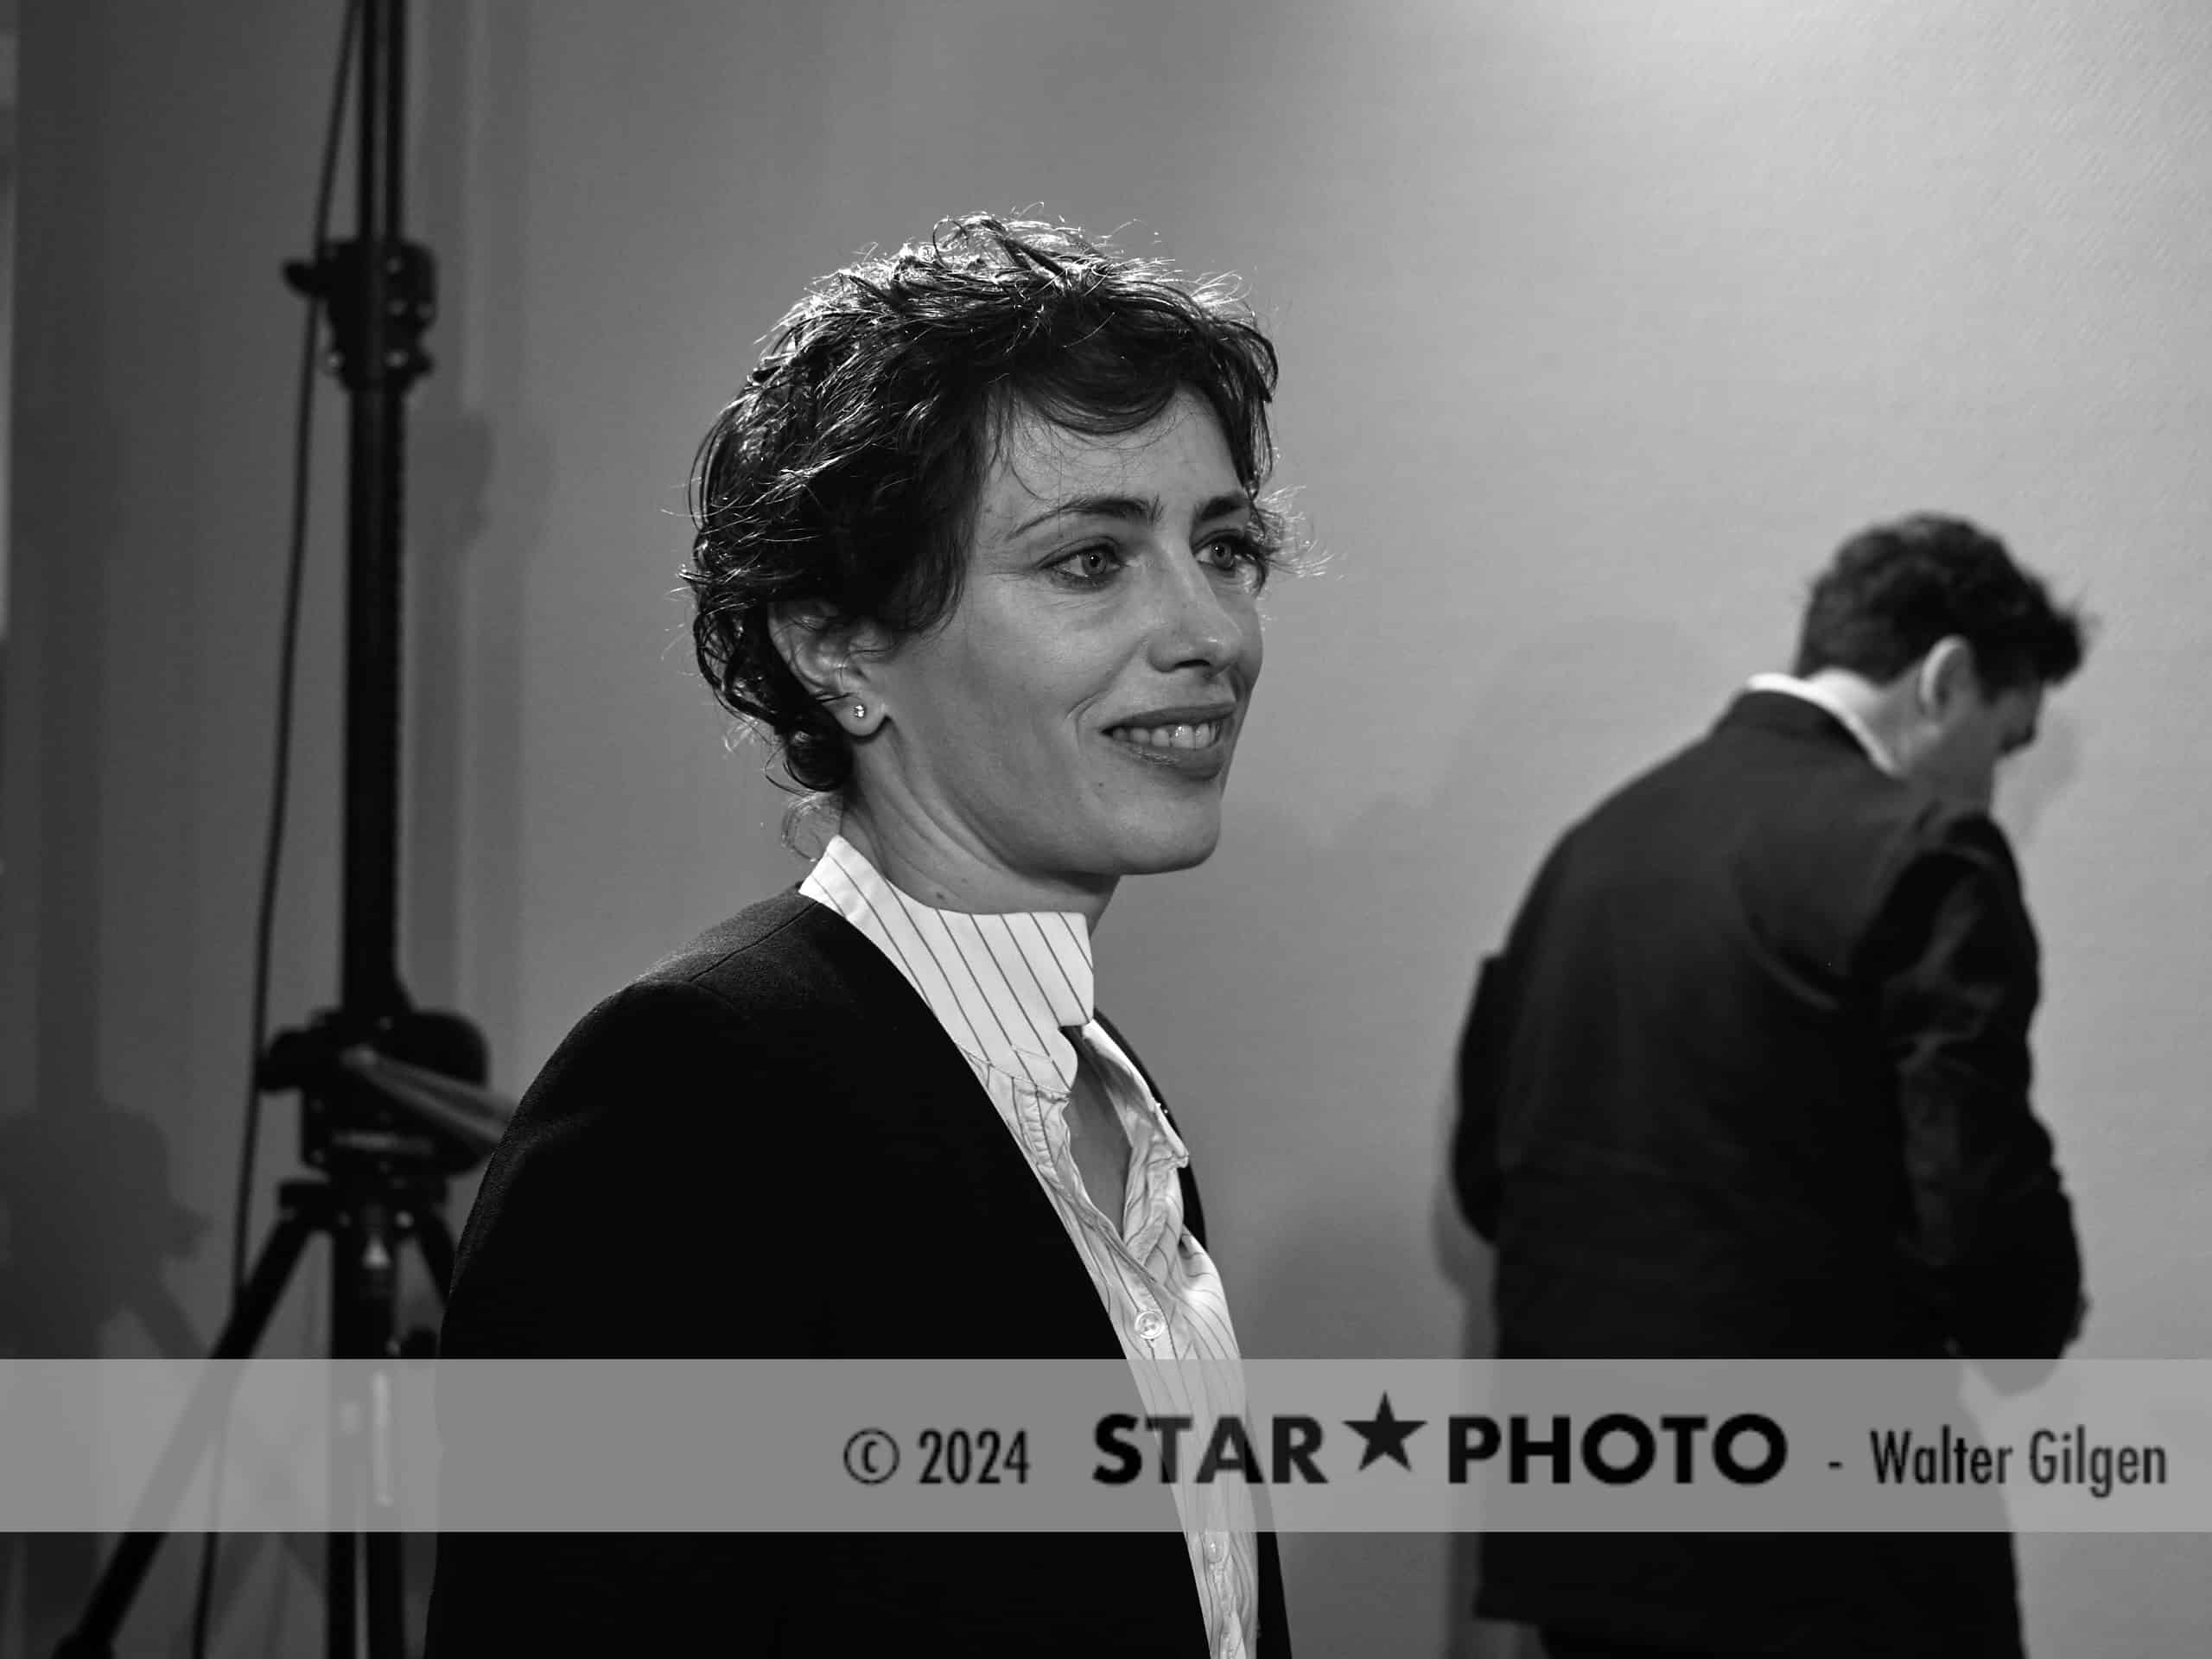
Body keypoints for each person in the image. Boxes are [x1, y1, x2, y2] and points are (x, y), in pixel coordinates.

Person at [425, 214, 1294, 1656]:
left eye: (1224, 547)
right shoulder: (689, 1101)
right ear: (837, 647)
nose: (1208, 628)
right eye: (1091, 561)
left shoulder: (1095, 1089)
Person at [1452, 514, 2089, 1657]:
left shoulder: (1594, 847)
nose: (1994, 789)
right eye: (2006, 740)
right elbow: (1978, 1214)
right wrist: (2030, 1315)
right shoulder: (1927, 853)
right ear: (1945, 679)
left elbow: (1492, 1175)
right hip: (1835, 1550)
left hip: (1589, 1540)